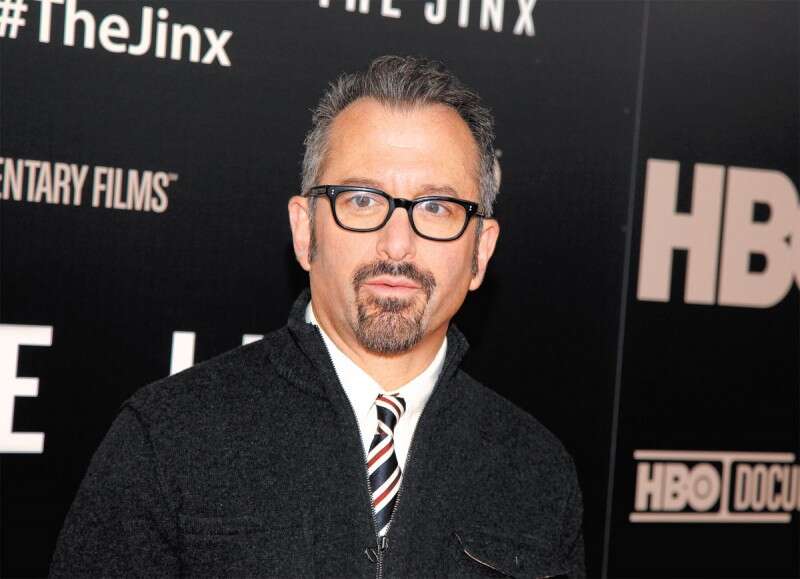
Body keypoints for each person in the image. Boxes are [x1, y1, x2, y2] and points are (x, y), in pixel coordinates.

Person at [50, 55, 585, 578]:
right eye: (362, 200)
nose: (397, 244)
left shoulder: (535, 470)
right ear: (305, 231)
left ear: (480, 252)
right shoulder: (168, 437)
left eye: (436, 208)